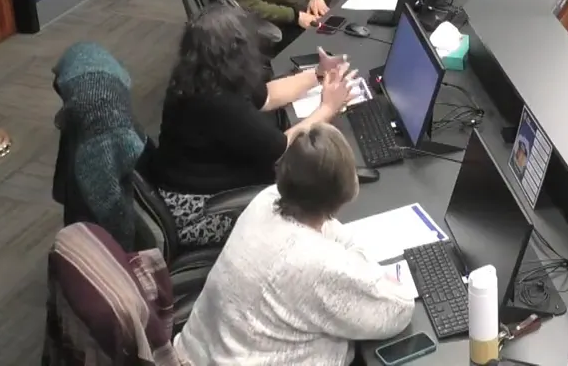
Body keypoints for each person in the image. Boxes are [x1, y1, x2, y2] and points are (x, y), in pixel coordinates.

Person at [177, 122, 416, 366]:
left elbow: (331, 230)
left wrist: (351, 260)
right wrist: (364, 267)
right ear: (345, 192)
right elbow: (398, 310)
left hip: (200, 352)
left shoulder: (268, 199)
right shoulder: (313, 264)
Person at [143, 0, 354, 248]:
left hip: (199, 186)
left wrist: (318, 74)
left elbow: (268, 96)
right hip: (200, 211)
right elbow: (282, 147)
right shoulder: (216, 102)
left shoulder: (202, 73)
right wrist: (328, 108)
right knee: (314, 210)